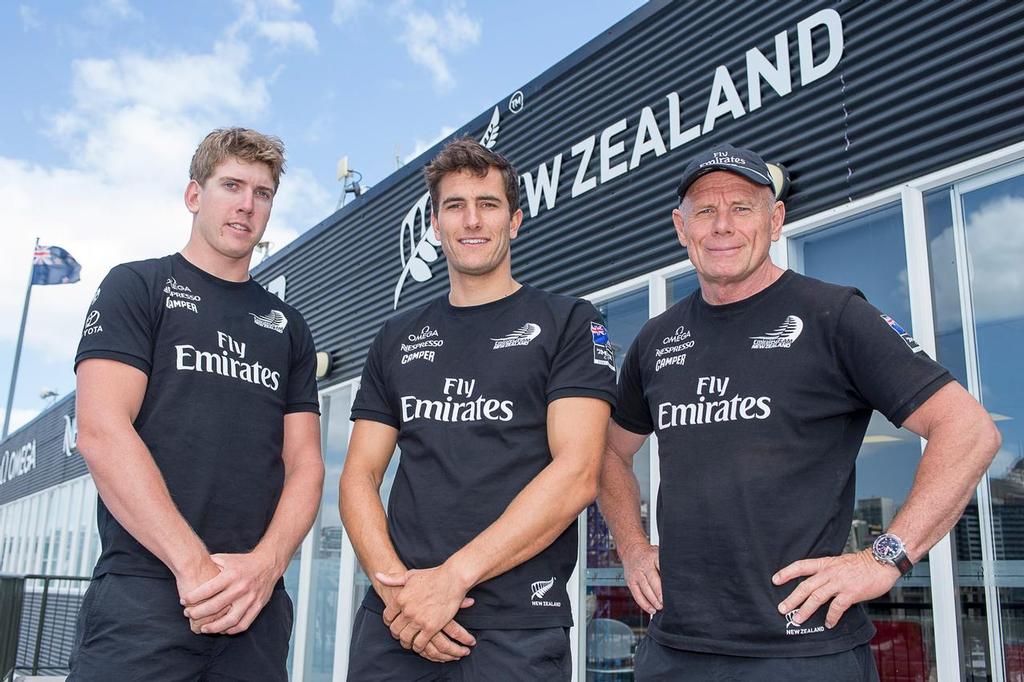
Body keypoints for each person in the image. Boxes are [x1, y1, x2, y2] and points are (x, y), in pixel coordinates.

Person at [597, 144, 1001, 680]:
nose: (723, 226)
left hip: (803, 651)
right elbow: (607, 450)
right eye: (705, 211)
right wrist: (630, 546)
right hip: (674, 648)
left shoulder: (833, 315)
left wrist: (885, 557)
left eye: (742, 208)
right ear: (681, 226)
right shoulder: (656, 339)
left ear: (776, 219)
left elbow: (968, 431)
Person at [340, 138, 617, 680]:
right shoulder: (397, 335)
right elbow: (357, 476)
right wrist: (397, 592)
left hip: (516, 627)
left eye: (488, 205)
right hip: (395, 622)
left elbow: (578, 473)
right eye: (454, 206)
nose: (472, 220)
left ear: (514, 221)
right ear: (436, 225)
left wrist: (450, 580)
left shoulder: (571, 323)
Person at [69, 128, 324, 681]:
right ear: (194, 195)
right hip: (147, 592)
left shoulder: (286, 325)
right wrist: (192, 566)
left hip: (253, 604)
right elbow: (101, 431)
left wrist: (267, 565)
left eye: (262, 192)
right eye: (231, 184)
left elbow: (304, 463)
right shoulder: (139, 287)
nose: (246, 204)